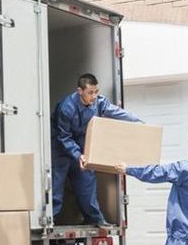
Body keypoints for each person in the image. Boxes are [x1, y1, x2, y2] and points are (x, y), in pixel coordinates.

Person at [52, 73, 141, 228]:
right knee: (56, 183)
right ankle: (51, 219)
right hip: (62, 148)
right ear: (80, 91)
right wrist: (77, 154)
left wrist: (138, 122)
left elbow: (117, 112)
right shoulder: (67, 107)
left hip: (82, 146)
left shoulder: (99, 103)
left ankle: (94, 219)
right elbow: (63, 136)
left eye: (96, 92)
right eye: (90, 93)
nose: (94, 96)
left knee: (87, 181)